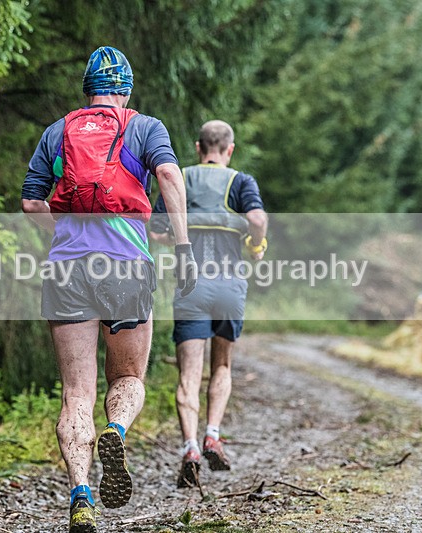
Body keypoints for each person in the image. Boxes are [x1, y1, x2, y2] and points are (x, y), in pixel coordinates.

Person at [21, 46, 197, 532]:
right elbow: (167, 174)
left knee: (75, 394)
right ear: (126, 89)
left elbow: (31, 204)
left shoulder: (57, 132)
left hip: (67, 270)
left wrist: (64, 234)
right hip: (126, 267)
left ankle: (81, 497)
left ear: (87, 90)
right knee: (129, 380)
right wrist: (182, 246)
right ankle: (115, 431)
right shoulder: (145, 127)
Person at [149, 120, 268, 488]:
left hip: (191, 285)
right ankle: (212, 435)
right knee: (222, 366)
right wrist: (255, 245)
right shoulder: (241, 182)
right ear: (229, 149)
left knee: (188, 373)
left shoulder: (179, 177)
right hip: (230, 287)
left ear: (199, 147)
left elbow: (154, 229)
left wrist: (177, 238)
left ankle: (189, 449)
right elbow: (257, 219)